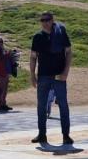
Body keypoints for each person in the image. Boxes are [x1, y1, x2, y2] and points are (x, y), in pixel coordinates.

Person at [30, 11, 73, 145]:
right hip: (43, 76)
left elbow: (68, 52)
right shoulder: (37, 37)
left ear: (52, 20)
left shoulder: (60, 34)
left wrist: (66, 71)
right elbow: (33, 56)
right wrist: (32, 74)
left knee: (63, 105)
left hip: (59, 76)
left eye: (47, 20)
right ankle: (42, 134)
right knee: (41, 106)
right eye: (42, 20)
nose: (45, 22)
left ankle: (66, 135)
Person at [0, 36, 12, 113]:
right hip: (1, 71)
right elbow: (0, 59)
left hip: (5, 71)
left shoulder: (2, 49)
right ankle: (0, 105)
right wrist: (7, 54)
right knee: (1, 88)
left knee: (5, 88)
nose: (0, 43)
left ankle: (3, 104)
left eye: (1, 41)